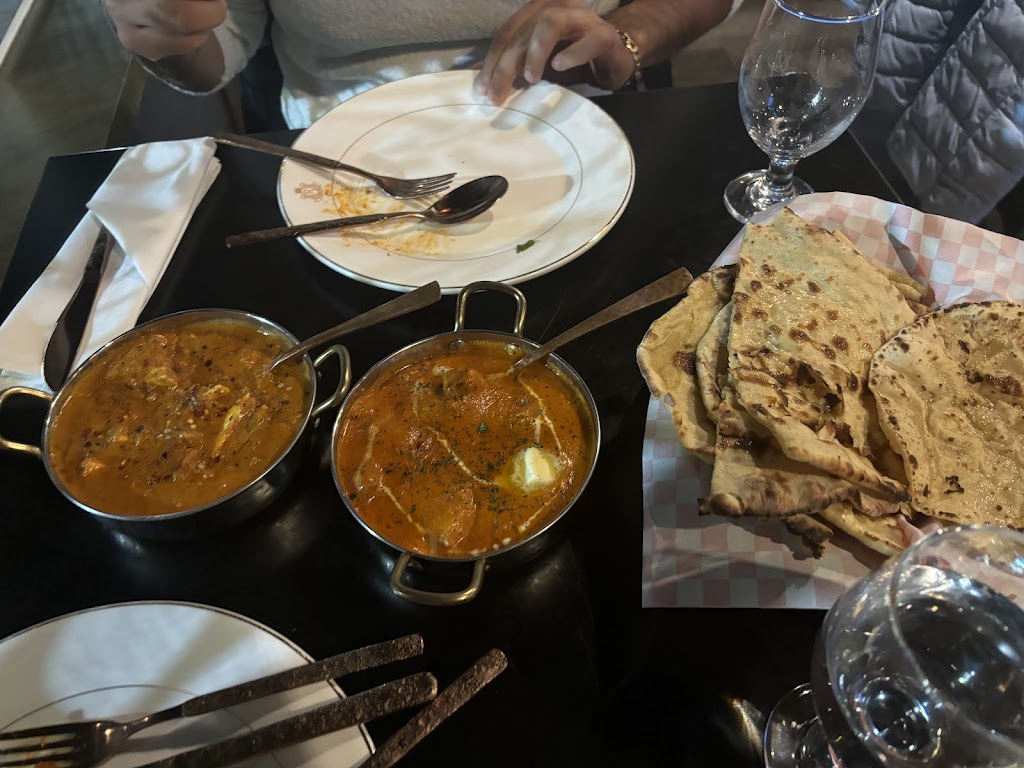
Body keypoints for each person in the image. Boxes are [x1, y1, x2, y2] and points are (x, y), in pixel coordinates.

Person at [102, 0, 738, 131]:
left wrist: (627, 38)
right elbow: (220, 39)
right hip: (335, 146)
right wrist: (166, 32)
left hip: (582, 120)